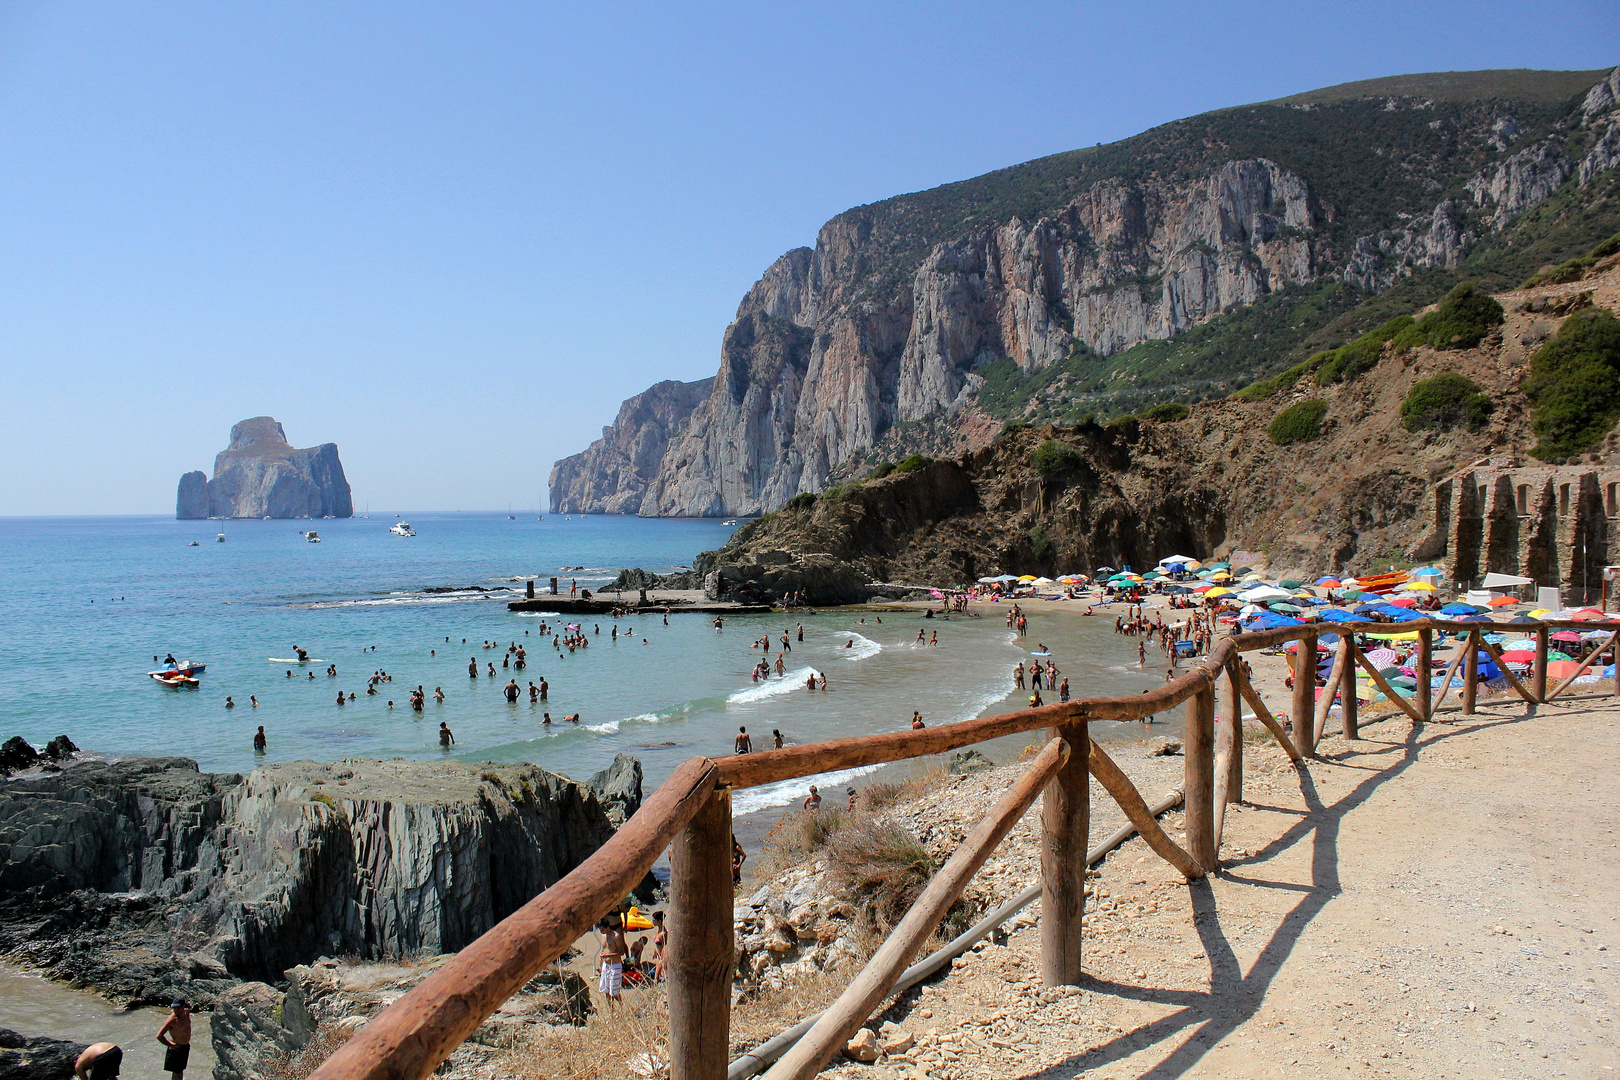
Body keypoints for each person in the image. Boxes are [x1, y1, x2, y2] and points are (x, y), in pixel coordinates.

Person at [156, 998, 191, 1080]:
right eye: (174, 1008)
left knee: (180, 1071)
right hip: (176, 1048)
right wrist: (171, 1045)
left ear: (183, 1007)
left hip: (185, 1047)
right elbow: (159, 1036)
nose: (176, 1010)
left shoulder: (187, 1013)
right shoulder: (172, 1020)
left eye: (178, 1008)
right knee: (177, 1072)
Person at [596, 916, 625, 1007]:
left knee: (614, 991)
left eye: (603, 930)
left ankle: (621, 1007)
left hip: (615, 965)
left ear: (607, 927)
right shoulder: (603, 936)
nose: (602, 932)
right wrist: (601, 965)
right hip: (606, 965)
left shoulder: (616, 936)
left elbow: (621, 952)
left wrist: (608, 955)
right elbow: (603, 950)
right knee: (606, 990)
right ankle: (611, 1010)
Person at [651, 910, 668, 981]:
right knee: (657, 976)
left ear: (659, 921)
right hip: (658, 955)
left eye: (654, 920)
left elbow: (664, 945)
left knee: (656, 978)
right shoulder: (658, 931)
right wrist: (655, 952)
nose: (652, 922)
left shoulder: (663, 934)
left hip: (661, 957)